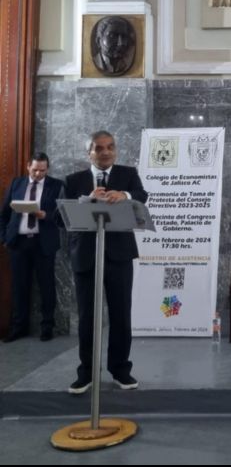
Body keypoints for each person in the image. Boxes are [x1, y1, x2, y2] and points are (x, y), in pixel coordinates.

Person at [65, 131, 148, 394]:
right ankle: (86, 373)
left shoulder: (128, 173)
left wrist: (124, 195)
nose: (105, 152)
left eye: (110, 147)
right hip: (86, 255)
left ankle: (121, 370)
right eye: (99, 148)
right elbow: (61, 217)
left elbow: (141, 195)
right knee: (88, 317)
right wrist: (87, 200)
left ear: (116, 150)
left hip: (119, 255)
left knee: (121, 315)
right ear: (89, 152)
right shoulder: (74, 180)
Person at [0, 153, 64, 342]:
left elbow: (63, 216)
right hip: (18, 243)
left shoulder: (57, 185)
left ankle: (47, 327)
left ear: (48, 169)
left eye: (42, 170)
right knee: (19, 286)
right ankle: (19, 327)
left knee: (47, 286)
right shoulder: (16, 184)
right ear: (28, 166)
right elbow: (3, 214)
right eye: (35, 169)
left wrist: (46, 215)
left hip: (43, 242)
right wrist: (5, 238)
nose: (38, 174)